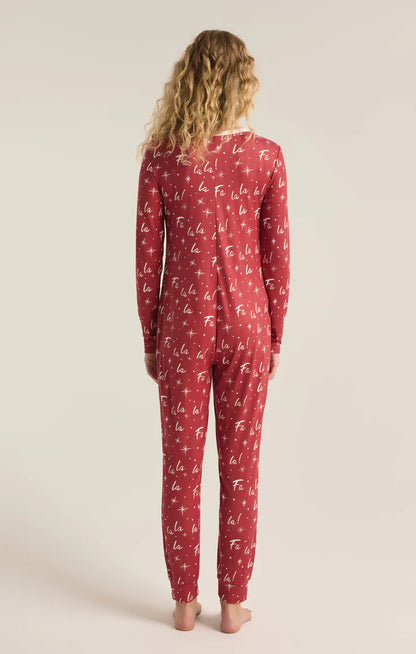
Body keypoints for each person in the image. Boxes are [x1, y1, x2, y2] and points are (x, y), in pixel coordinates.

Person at [135, 29, 290, 633]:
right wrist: (275, 336)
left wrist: (150, 336)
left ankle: (183, 603)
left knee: (181, 464)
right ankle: (232, 605)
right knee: (241, 465)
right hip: (249, 324)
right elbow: (277, 258)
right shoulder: (265, 156)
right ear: (242, 83)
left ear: (188, 80)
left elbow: (147, 259)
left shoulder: (162, 158)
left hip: (182, 328)